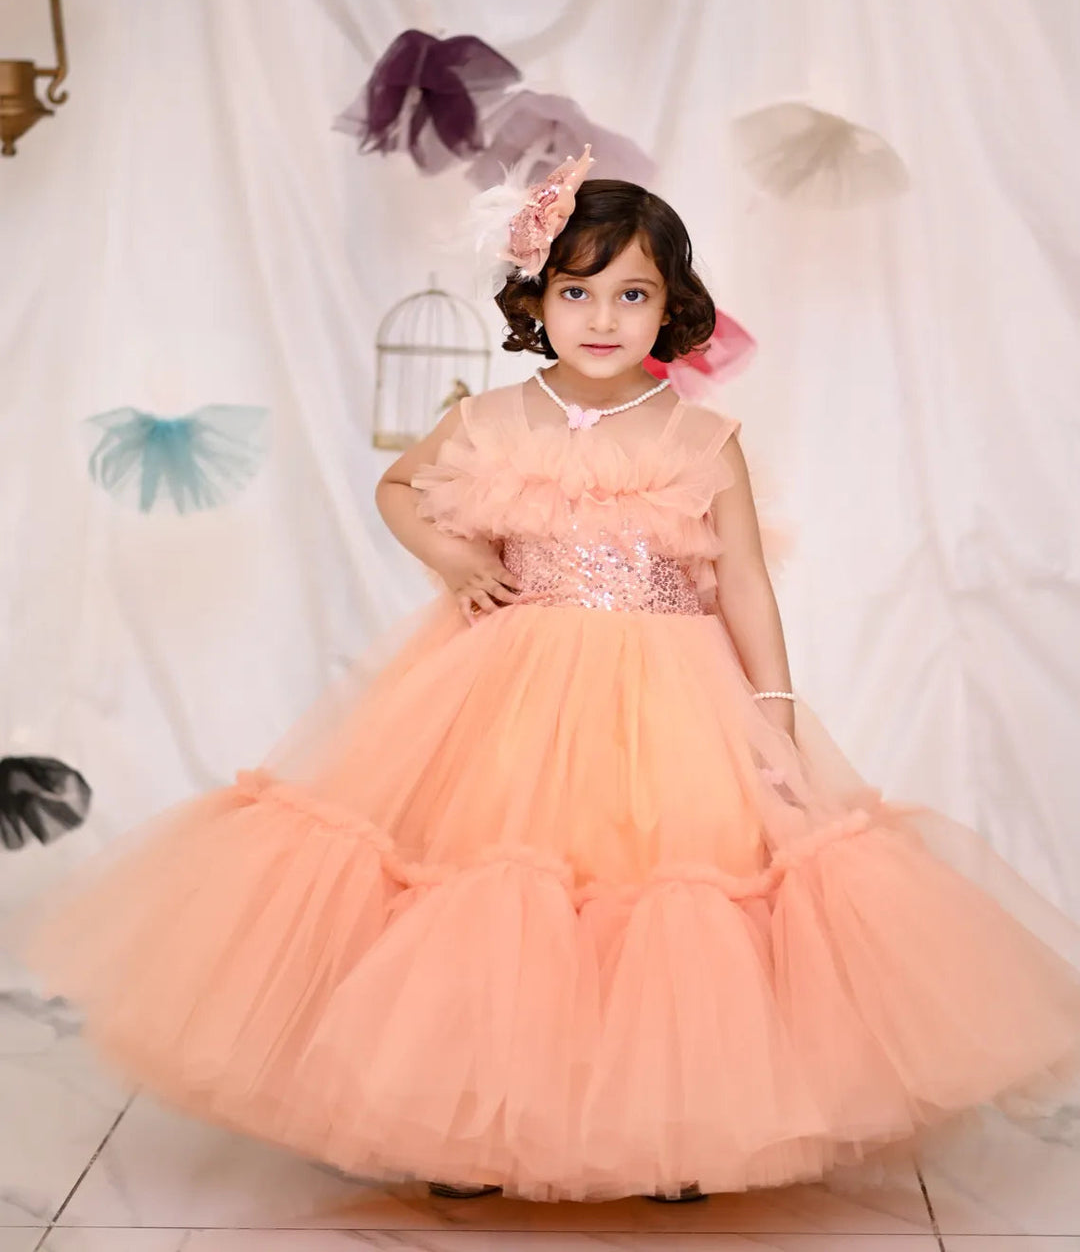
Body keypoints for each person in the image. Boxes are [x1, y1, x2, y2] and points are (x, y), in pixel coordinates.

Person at [21, 152, 1080, 1205]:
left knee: (674, 897)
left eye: (633, 295)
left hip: (673, 695)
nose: (603, 318)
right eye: (578, 292)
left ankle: (677, 1126)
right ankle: (464, 1119)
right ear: (535, 300)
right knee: (488, 888)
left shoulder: (702, 436)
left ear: (672, 307)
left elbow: (747, 581)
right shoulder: (490, 417)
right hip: (511, 684)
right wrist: (452, 558)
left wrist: (773, 707)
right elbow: (398, 487)